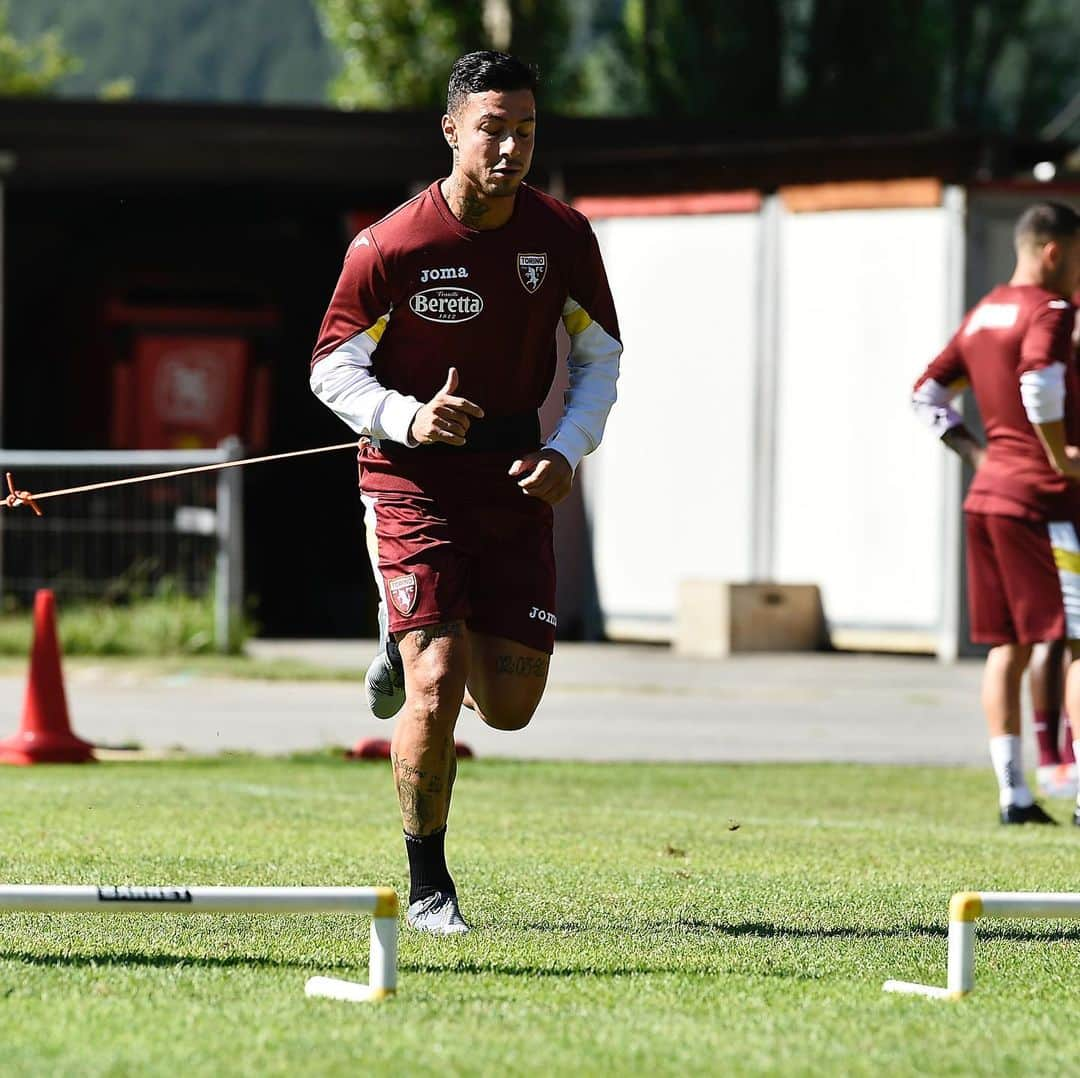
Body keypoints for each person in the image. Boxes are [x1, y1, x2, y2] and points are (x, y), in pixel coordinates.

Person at [310, 51, 622, 930]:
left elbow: (602, 359)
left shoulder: (563, 235)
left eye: (526, 130)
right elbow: (332, 369)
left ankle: (398, 625)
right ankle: (429, 887)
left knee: (512, 708)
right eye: (493, 128)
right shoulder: (389, 244)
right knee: (436, 680)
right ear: (451, 130)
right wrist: (408, 418)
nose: (510, 146)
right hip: (411, 478)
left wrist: (569, 447)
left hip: (519, 479)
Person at [912, 200, 1080, 825]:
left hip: (987, 501)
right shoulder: (1052, 309)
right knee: (1073, 644)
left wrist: (982, 458)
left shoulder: (985, 311)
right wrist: (1060, 457)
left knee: (1005, 647)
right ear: (1054, 251)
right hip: (1042, 501)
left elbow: (925, 396)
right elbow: (1040, 382)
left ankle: (1014, 794)